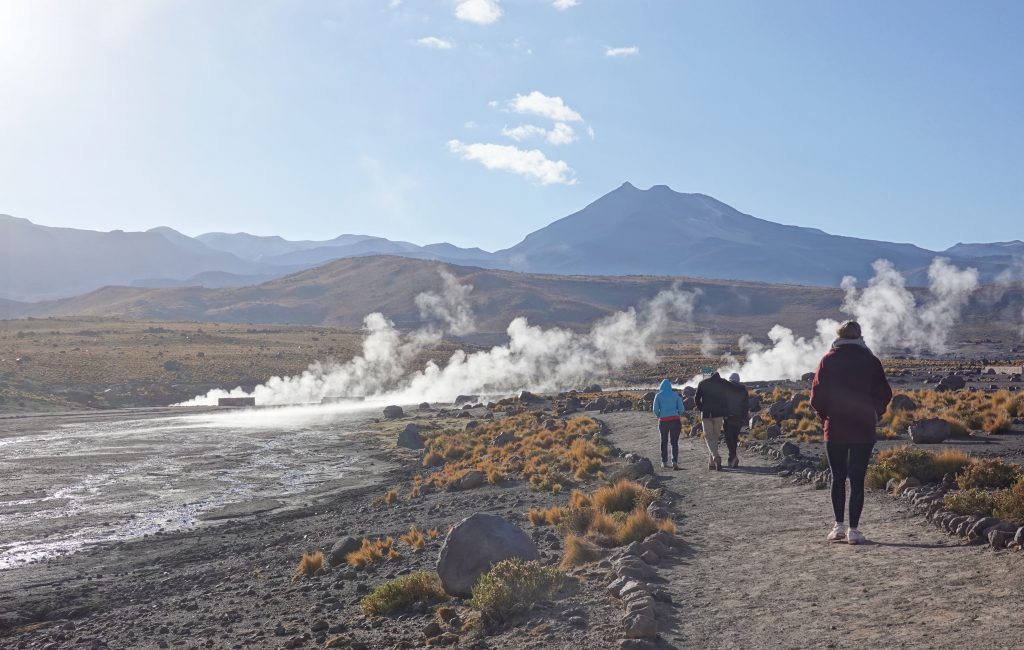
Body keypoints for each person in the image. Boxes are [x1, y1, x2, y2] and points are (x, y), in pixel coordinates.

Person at [810, 320, 892, 545]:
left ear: (839, 335)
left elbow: (816, 395)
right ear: (859, 336)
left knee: (837, 477)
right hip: (863, 428)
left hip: (835, 427)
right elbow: (885, 392)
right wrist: (875, 411)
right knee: (857, 479)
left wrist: (824, 414)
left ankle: (838, 526)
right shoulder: (870, 360)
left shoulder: (828, 360)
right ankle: (854, 530)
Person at [694, 371, 732, 471]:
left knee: (709, 437)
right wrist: (726, 413)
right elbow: (727, 400)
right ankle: (711, 464)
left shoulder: (702, 383)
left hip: (706, 415)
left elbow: (696, 398)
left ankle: (715, 457)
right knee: (714, 438)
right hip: (718, 415)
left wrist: (702, 408)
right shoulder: (723, 383)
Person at [652, 379, 685, 470]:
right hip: (675, 420)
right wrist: (678, 414)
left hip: (663, 421)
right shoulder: (675, 395)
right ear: (670, 386)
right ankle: (674, 461)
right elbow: (682, 409)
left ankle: (664, 462)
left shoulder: (658, 396)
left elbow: (655, 409)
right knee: (674, 442)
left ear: (661, 386)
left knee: (664, 441)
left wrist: (659, 415)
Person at [722, 373, 749, 468]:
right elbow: (746, 406)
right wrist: (744, 417)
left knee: (729, 438)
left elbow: (723, 403)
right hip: (739, 418)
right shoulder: (743, 390)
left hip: (728, 417)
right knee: (734, 437)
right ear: (738, 380)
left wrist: (724, 414)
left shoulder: (726, 389)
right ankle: (732, 457)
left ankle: (732, 457)